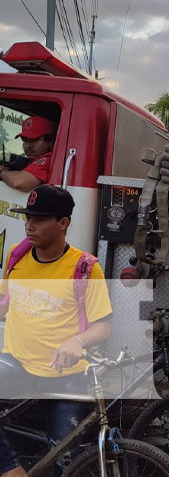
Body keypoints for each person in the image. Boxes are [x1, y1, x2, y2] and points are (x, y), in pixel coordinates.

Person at [0, 185, 113, 477]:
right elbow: (3, 304)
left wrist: (77, 340)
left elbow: (102, 326)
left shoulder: (85, 268)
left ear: (63, 223)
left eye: (39, 219)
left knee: (65, 463)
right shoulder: (17, 255)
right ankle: (11, 469)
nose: (29, 225)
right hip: (16, 361)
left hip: (66, 374)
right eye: (27, 218)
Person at [0, 116, 57, 192]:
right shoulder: (34, 159)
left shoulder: (49, 159)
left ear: (51, 142)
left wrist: (1, 171)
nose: (28, 145)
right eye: (25, 140)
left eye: (34, 140)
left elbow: (19, 182)